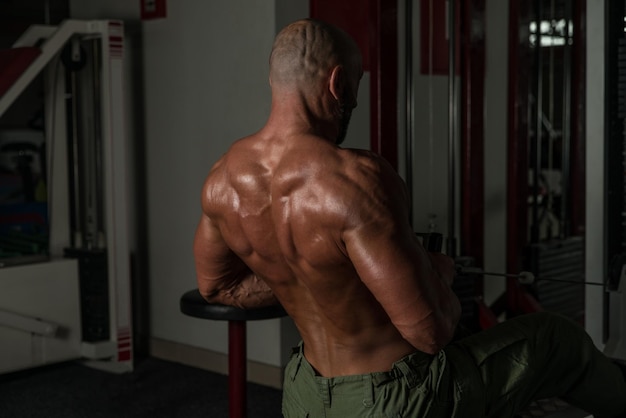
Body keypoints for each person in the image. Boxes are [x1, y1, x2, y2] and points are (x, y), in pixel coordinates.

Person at [193, 18, 626, 418]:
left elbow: (218, 287)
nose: (356, 100)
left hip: (304, 397)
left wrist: (320, 275)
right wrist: (437, 272)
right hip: (392, 400)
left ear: (274, 81)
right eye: (356, 85)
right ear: (337, 83)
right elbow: (431, 333)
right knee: (557, 339)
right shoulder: (354, 180)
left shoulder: (221, 180)